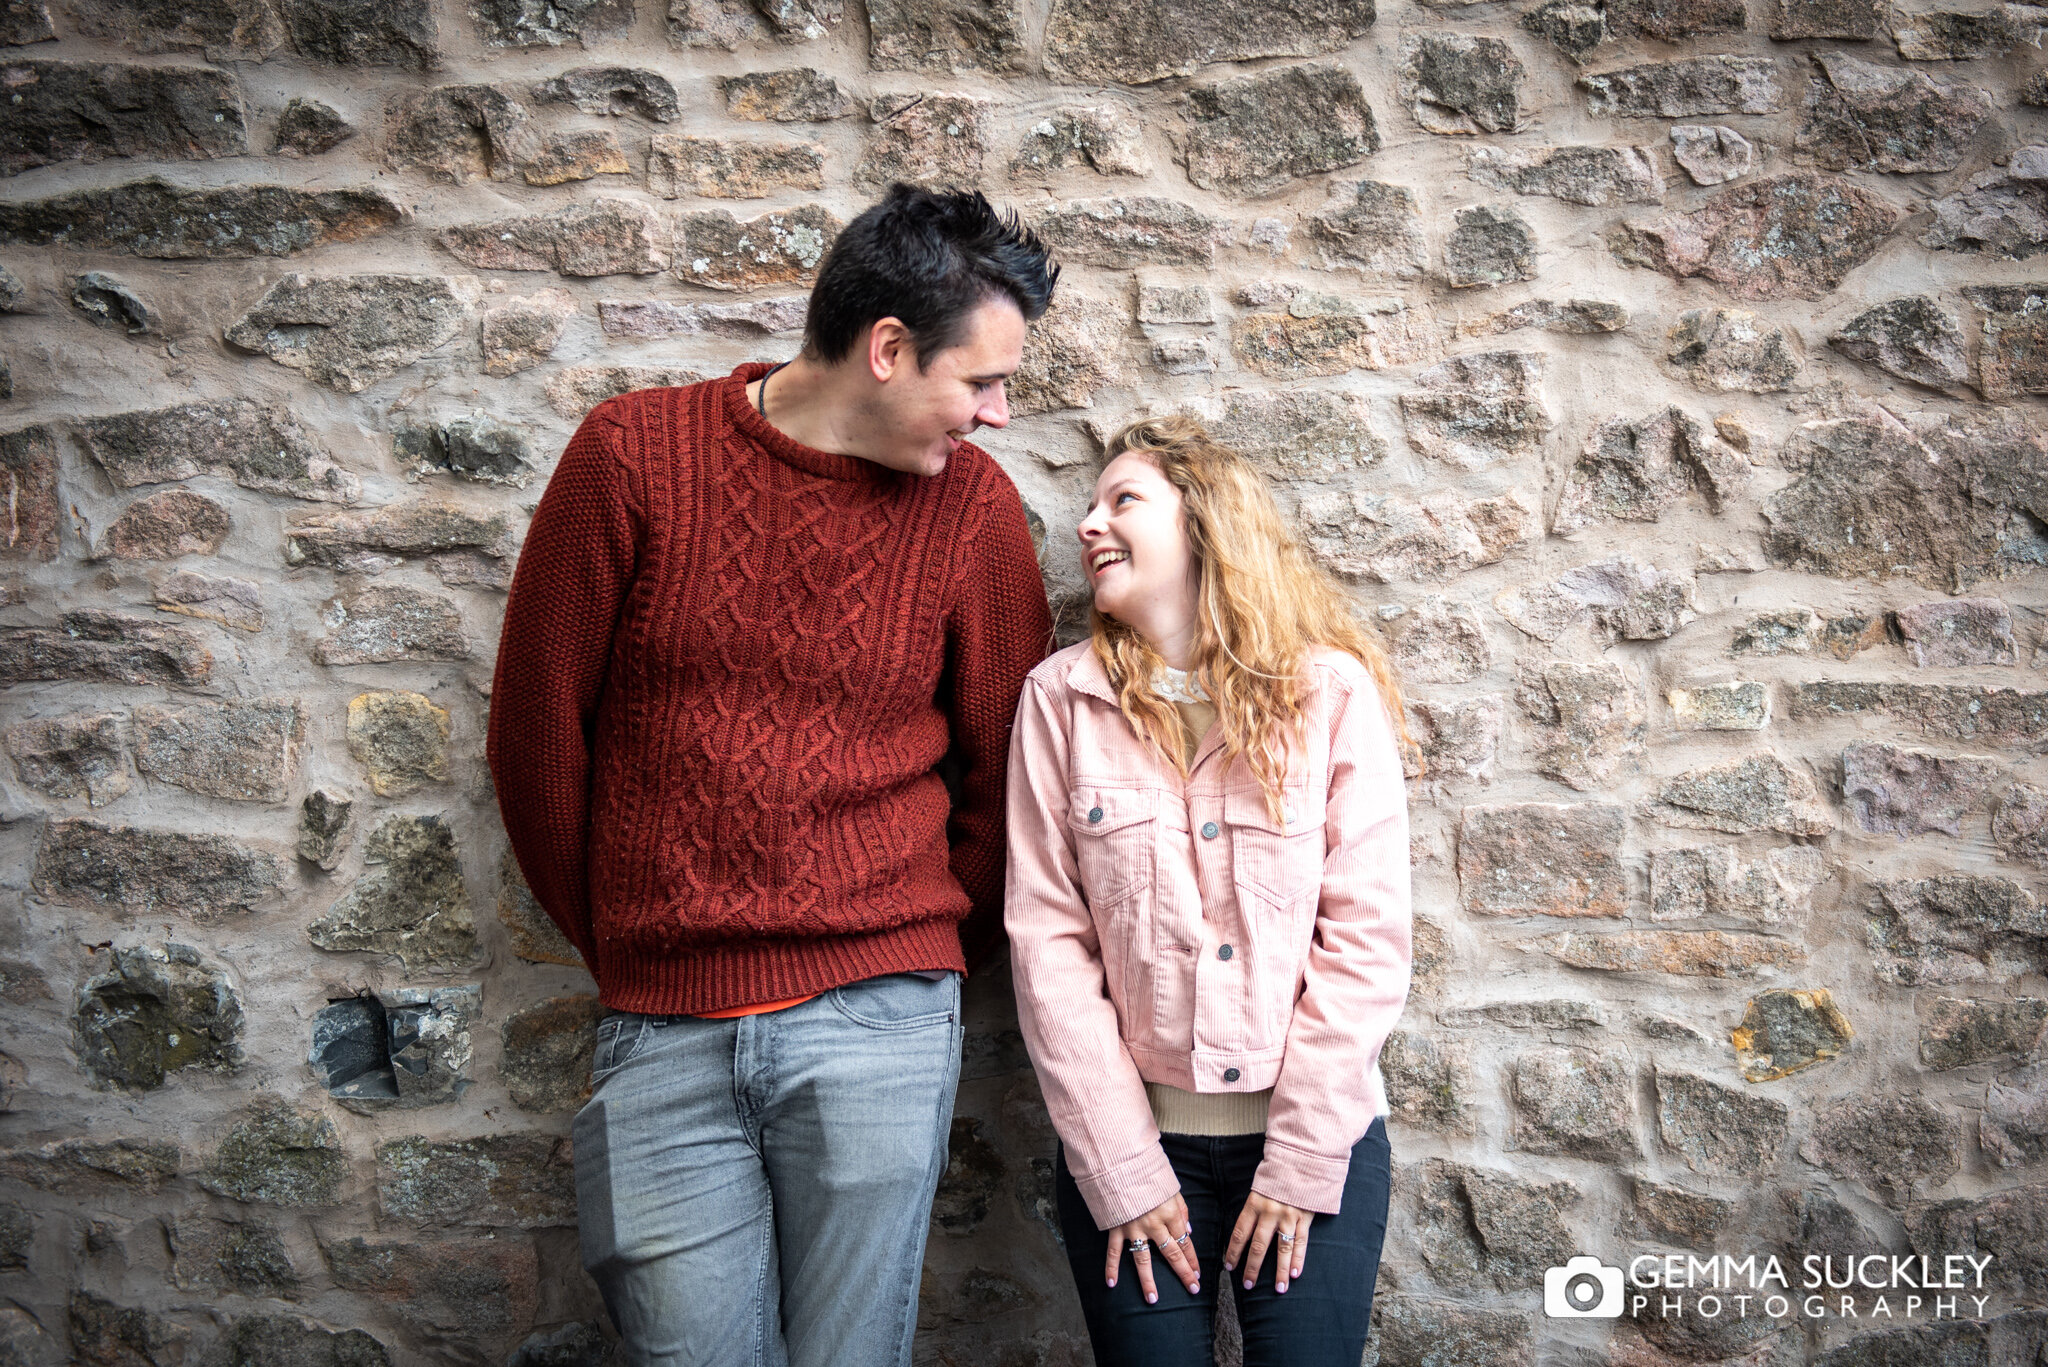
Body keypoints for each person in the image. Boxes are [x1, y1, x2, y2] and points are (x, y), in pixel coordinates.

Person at [486, 183, 1057, 1367]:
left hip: (879, 1016)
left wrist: (913, 950)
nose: (996, 415)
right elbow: (537, 736)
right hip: (663, 1025)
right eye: (982, 380)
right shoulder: (632, 458)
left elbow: (1009, 779)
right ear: (888, 349)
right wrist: (635, 938)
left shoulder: (977, 517)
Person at [1002, 415, 1413, 1367]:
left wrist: (1304, 1157)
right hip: (1135, 1147)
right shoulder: (1059, 702)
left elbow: (1367, 936)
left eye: (1124, 500)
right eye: (1089, 504)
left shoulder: (1330, 697)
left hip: (1317, 1139)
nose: (1089, 524)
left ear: (1204, 526)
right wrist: (1121, 1167)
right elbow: (1046, 945)